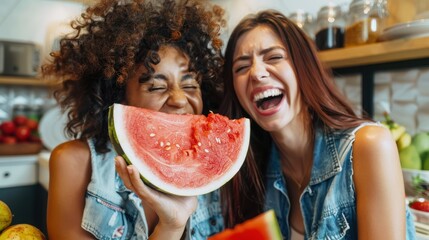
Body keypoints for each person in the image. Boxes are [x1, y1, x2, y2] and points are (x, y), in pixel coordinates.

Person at [217, 9, 416, 240]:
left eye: (274, 57)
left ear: (304, 68)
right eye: (241, 67)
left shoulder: (369, 146)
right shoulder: (253, 168)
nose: (256, 73)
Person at [41, 0, 225, 239]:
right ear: (119, 98)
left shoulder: (215, 167)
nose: (180, 99)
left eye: (190, 83)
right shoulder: (74, 162)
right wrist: (171, 227)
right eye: (157, 86)